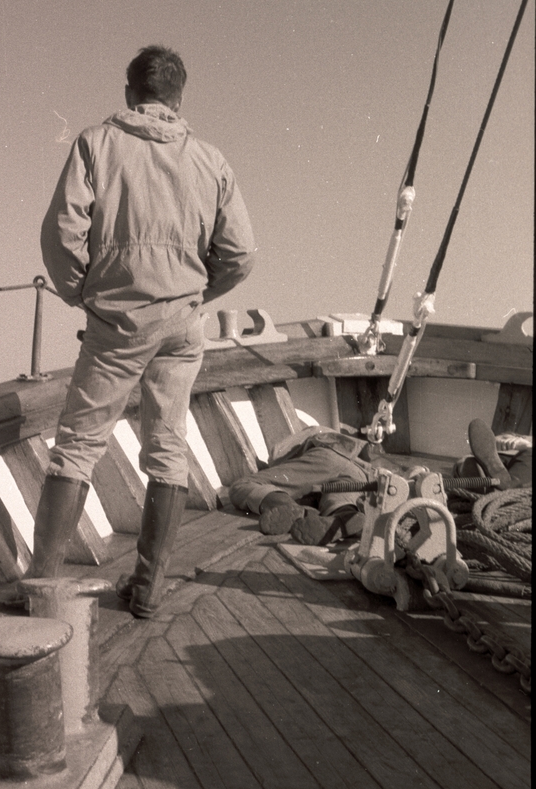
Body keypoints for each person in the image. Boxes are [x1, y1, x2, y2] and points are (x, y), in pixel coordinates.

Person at [26, 45, 256, 616]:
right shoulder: (211, 161)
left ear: (130, 92)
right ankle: (149, 589)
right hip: (182, 327)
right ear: (178, 100)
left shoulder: (95, 144)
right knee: (169, 448)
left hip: (116, 324)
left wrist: (82, 293)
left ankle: (40, 591)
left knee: (78, 447)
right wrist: (199, 294)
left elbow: (60, 236)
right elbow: (242, 253)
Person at [228, 417, 532, 545]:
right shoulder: (362, 453)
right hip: (381, 479)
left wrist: (281, 500)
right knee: (342, 497)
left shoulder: (315, 450)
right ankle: (345, 521)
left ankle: (306, 511)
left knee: (243, 485)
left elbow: (243, 486)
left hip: (343, 464)